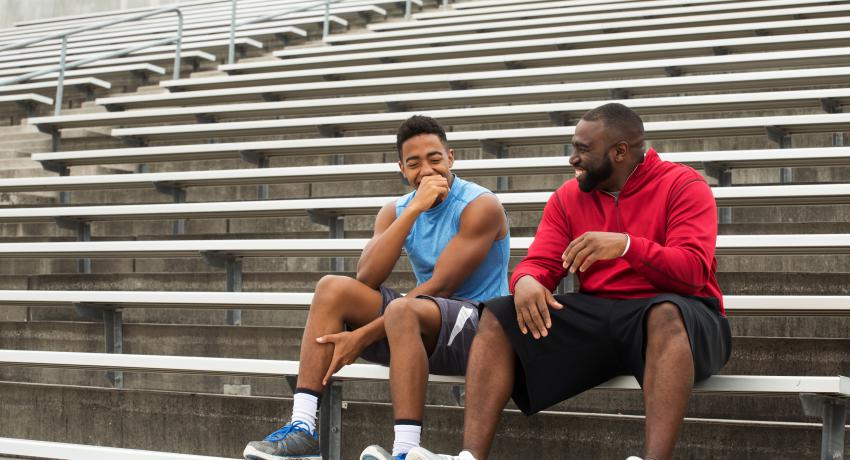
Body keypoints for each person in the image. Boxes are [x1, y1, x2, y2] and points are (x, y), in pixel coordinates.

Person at [407, 103, 731, 460]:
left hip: (686, 315)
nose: (572, 159)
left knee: (665, 313)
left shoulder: (683, 185)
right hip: (602, 314)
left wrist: (625, 246)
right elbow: (539, 263)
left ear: (620, 152)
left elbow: (693, 272)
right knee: (498, 315)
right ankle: (469, 457)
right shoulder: (568, 197)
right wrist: (528, 280)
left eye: (582, 149)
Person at [243, 115, 510, 460]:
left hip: (481, 332)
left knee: (403, 308)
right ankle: (303, 430)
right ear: (401, 169)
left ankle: (404, 450)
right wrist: (413, 209)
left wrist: (363, 335)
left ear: (451, 158)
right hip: (422, 323)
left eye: (435, 159)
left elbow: (443, 285)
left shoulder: (479, 205)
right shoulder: (396, 210)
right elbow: (367, 277)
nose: (426, 171)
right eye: (414, 164)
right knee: (332, 289)